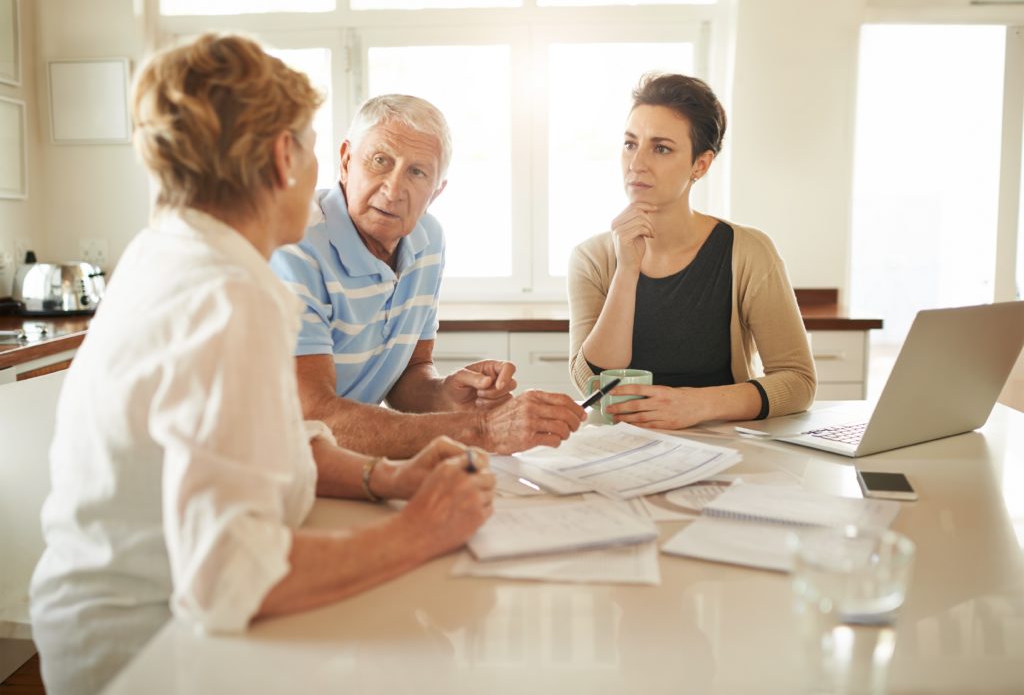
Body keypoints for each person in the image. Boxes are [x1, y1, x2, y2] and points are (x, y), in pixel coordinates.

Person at [29, 34, 496, 695]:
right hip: (143, 649)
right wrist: (418, 534)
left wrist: (387, 478)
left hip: (112, 620)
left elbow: (263, 442)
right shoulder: (229, 296)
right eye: (311, 144)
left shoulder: (175, 249)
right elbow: (228, 577)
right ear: (286, 156)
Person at [270, 95, 585, 457]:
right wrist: (483, 430)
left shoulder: (428, 240)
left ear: (436, 191)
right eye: (380, 161)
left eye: (416, 172)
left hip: (346, 462)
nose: (393, 189)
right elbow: (315, 419)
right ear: (345, 160)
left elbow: (410, 372)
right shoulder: (296, 242)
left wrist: (444, 394)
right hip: (273, 466)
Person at [567, 72, 815, 430]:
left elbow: (798, 381)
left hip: (727, 449)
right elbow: (594, 385)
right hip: (620, 449)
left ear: (700, 164)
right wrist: (627, 270)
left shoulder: (748, 252)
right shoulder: (591, 259)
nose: (636, 164)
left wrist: (698, 404)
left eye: (661, 148)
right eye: (630, 144)